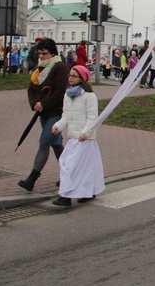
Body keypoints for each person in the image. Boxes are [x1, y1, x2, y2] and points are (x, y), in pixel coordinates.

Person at [18, 38, 69, 192]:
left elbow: (61, 91)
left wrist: (44, 103)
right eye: (39, 53)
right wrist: (34, 103)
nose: (41, 56)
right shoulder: (39, 68)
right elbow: (31, 89)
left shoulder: (60, 67)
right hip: (43, 113)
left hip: (56, 113)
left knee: (44, 142)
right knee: (55, 144)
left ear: (52, 53)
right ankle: (69, 174)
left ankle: (31, 179)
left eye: (44, 53)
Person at [50, 65, 105, 206]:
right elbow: (66, 116)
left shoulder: (89, 96)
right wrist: (57, 126)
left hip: (84, 139)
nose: (70, 78)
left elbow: (93, 118)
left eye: (74, 76)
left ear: (82, 78)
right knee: (80, 167)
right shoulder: (68, 95)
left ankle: (66, 197)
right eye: (70, 75)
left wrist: (85, 133)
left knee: (70, 166)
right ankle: (88, 192)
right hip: (74, 137)